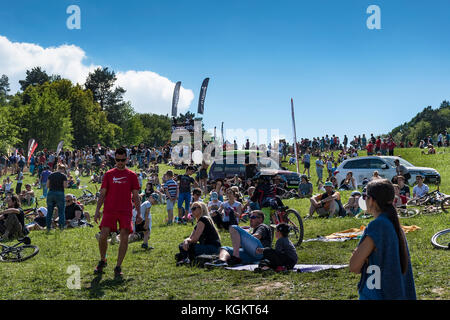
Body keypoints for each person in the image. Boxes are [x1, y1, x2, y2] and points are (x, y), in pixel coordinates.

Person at [349, 179, 416, 300]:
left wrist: (361, 256)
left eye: (365, 196)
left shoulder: (377, 226)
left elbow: (354, 266)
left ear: (372, 201)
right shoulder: (395, 226)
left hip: (377, 294)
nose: (364, 200)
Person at [94, 147, 141, 278]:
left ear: (127, 159)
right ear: (115, 159)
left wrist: (139, 213)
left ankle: (118, 266)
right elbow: (102, 194)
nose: (120, 162)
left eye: (123, 160)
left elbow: (136, 196)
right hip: (109, 209)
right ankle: (103, 260)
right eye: (118, 160)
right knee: (103, 236)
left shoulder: (132, 175)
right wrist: (97, 210)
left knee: (124, 237)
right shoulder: (109, 174)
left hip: (125, 210)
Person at [206, 210, 272, 267]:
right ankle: (222, 262)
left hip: (260, 252)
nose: (250, 219)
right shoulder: (254, 229)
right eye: (250, 217)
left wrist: (242, 240)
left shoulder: (262, 226)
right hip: (254, 257)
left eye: (253, 217)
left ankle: (235, 257)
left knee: (233, 227)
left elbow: (257, 236)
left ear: (260, 219)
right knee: (225, 249)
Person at [176, 202, 221, 266]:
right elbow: (191, 238)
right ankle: (186, 258)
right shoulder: (199, 222)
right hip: (208, 247)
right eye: (191, 209)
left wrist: (187, 242)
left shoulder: (203, 219)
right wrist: (186, 241)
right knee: (183, 245)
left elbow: (195, 239)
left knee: (189, 247)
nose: (192, 211)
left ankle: (186, 259)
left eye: (194, 208)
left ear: (201, 209)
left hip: (213, 248)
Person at [46, 164, 68, 231]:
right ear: (63, 169)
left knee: (49, 212)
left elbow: (47, 185)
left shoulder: (51, 175)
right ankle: (61, 227)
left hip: (51, 193)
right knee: (61, 212)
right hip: (60, 193)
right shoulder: (63, 176)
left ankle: (48, 227)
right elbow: (65, 186)